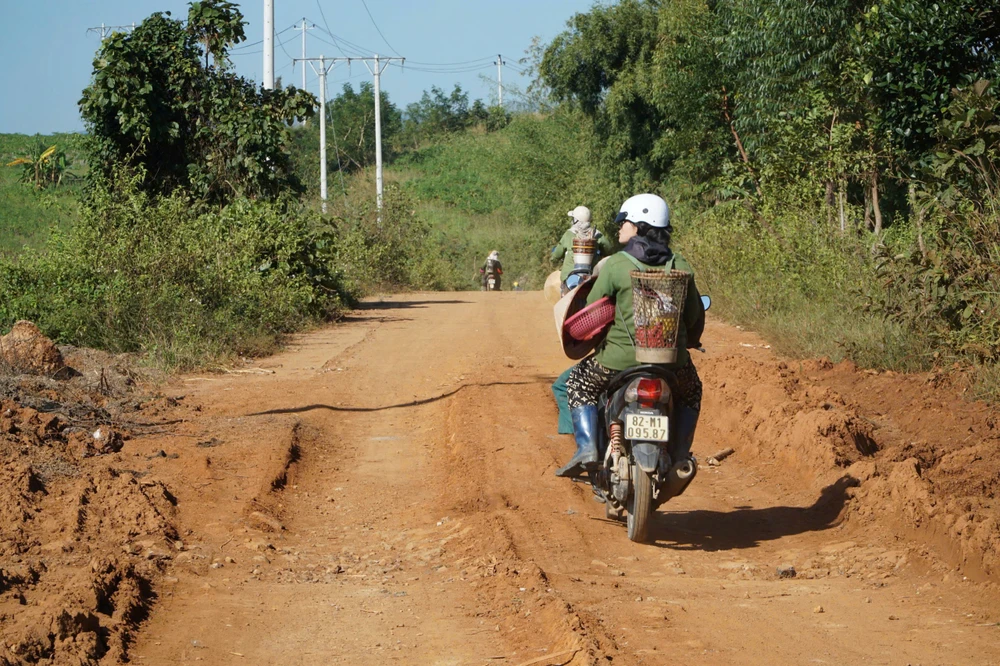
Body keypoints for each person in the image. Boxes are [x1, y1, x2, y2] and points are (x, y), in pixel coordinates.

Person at [555, 193, 705, 478]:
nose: (619, 227)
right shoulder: (681, 265)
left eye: (623, 221)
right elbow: (694, 317)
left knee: (576, 384)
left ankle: (587, 447)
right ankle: (681, 454)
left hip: (617, 361)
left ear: (637, 226)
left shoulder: (616, 265)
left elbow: (592, 312)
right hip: (673, 363)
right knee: (692, 392)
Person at [551, 206, 615, 288]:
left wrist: (553, 258)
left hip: (569, 276)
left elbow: (557, 254)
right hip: (592, 276)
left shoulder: (569, 234)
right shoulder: (597, 235)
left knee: (564, 290)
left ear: (576, 220)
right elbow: (609, 250)